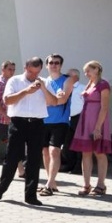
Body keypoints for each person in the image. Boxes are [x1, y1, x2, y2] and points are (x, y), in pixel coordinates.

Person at [0, 57, 59, 206]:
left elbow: (54, 102)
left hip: (37, 124)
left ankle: (30, 196)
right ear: (25, 68)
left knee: (34, 160)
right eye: (30, 72)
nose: (33, 75)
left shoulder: (45, 82)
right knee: (12, 158)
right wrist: (26, 91)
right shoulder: (15, 81)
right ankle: (1, 189)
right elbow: (7, 100)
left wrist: (43, 88)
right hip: (18, 123)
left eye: (36, 72)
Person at [69, 60, 110, 196]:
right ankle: (86, 184)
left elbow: (104, 108)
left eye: (88, 71)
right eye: (85, 71)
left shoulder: (103, 85)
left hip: (97, 122)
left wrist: (98, 128)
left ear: (96, 69)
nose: (86, 74)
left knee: (99, 153)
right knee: (85, 153)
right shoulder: (90, 83)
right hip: (85, 121)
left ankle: (101, 185)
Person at [39, 54, 75, 195]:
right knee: (45, 152)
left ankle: (49, 184)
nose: (54, 65)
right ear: (46, 65)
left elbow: (62, 101)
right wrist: (53, 100)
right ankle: (51, 182)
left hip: (60, 121)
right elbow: (42, 102)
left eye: (57, 62)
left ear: (61, 65)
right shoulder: (43, 81)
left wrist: (49, 100)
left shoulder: (67, 80)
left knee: (54, 151)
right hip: (43, 121)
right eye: (51, 62)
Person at [61, 67, 86, 173]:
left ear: (75, 77)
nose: (66, 78)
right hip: (66, 117)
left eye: (68, 76)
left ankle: (78, 167)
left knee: (78, 143)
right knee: (67, 142)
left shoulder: (82, 88)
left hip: (79, 117)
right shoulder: (65, 88)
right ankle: (68, 164)